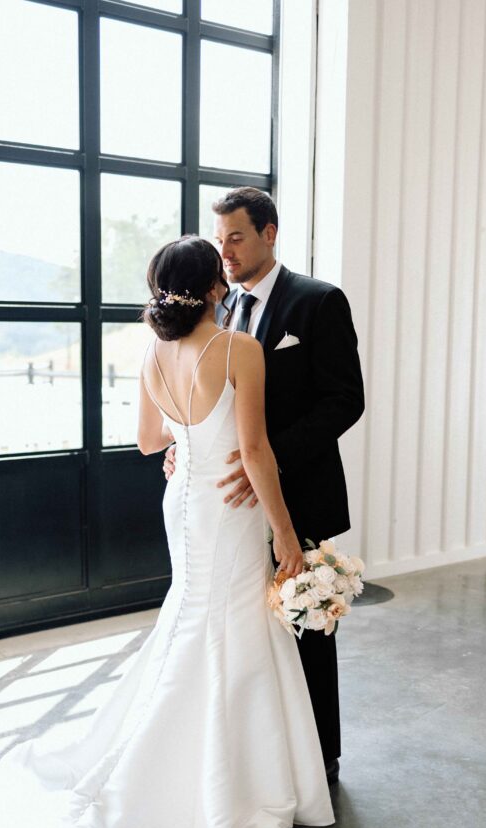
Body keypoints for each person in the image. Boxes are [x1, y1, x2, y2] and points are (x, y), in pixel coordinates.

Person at [0, 236, 334, 828]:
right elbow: (256, 451)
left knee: (196, 621)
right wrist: (287, 538)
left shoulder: (151, 352)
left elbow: (145, 442)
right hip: (230, 511)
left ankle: (197, 764)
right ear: (212, 290)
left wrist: (186, 444)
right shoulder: (238, 350)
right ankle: (232, 783)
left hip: (185, 503)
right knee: (227, 626)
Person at [165, 189, 365, 783]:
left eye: (237, 237)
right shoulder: (212, 308)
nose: (224, 251)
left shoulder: (318, 302)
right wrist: (186, 443)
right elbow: (207, 397)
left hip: (296, 491)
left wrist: (268, 462)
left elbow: (345, 401)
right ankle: (252, 761)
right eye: (219, 237)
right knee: (241, 632)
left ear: (269, 234)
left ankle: (318, 760)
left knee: (304, 627)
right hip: (225, 505)